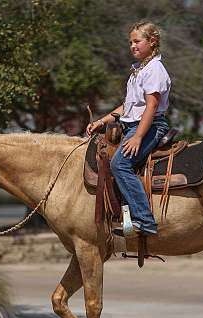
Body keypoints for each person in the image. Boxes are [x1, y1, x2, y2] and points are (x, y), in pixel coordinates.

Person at [86, 21, 171, 236]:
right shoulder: (138, 70)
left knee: (120, 164)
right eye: (130, 42)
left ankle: (145, 220)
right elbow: (128, 106)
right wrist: (101, 122)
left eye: (137, 41)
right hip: (132, 123)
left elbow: (151, 106)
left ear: (152, 42)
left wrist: (138, 137)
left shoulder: (154, 70)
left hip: (150, 125)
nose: (132, 46)